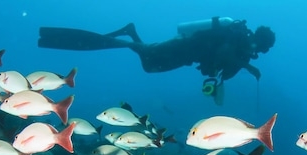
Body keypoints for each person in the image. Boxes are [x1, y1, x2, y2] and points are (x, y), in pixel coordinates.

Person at [37, 17, 275, 103]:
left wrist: (242, 67)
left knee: (149, 66)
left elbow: (222, 67)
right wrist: (248, 65)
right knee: (148, 53)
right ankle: (130, 38)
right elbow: (223, 55)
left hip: (187, 57)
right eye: (263, 47)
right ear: (260, 40)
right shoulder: (236, 37)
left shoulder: (241, 48)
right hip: (184, 45)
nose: (260, 52)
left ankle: (131, 33)